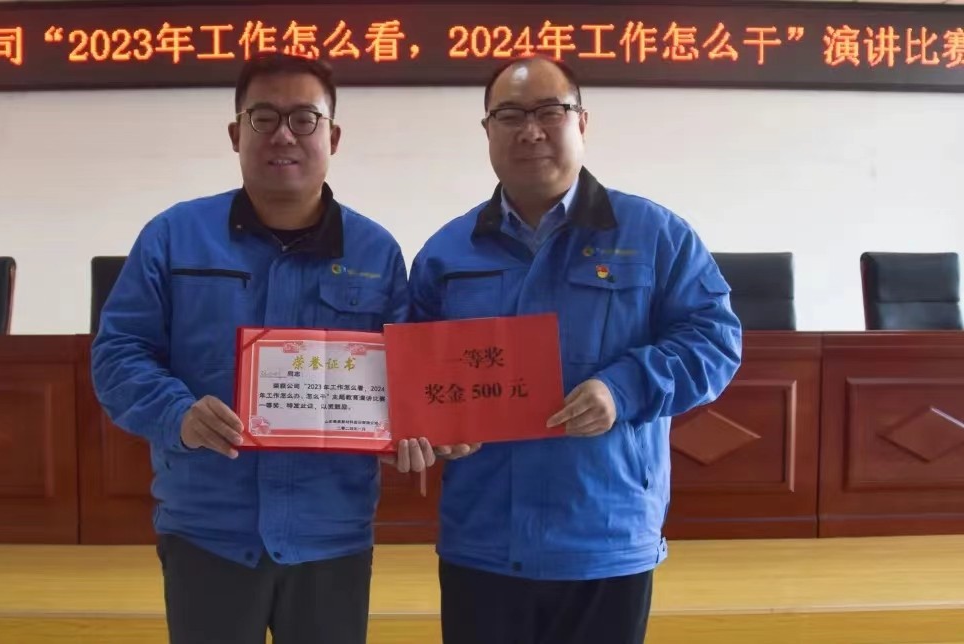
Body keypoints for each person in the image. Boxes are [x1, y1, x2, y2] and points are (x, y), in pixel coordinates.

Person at [91, 53, 436, 644]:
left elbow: (406, 377)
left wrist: (414, 428)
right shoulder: (175, 236)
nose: (284, 135)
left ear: (332, 136)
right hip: (208, 529)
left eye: (304, 118)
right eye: (264, 117)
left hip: (331, 533)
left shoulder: (376, 251)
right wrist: (178, 414)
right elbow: (118, 353)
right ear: (236, 133)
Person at [408, 56, 743, 644]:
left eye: (549, 111)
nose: (529, 130)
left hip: (605, 534)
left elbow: (714, 341)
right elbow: (413, 378)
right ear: (487, 130)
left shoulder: (654, 234)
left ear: (581, 122)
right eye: (509, 115)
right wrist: (429, 428)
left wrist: (623, 389)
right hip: (483, 537)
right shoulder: (447, 251)